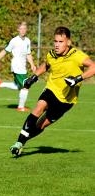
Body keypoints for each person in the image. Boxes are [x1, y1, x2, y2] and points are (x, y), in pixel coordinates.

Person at [9, 26, 95, 157]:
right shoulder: (51, 54)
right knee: (39, 107)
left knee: (41, 125)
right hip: (52, 89)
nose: (57, 44)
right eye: (55, 41)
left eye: (61, 42)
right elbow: (46, 65)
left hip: (67, 100)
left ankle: (22, 141)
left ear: (68, 42)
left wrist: (77, 79)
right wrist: (34, 76)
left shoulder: (77, 56)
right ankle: (18, 143)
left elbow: (93, 67)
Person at [0, 22, 36, 111]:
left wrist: (32, 64)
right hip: (17, 66)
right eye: (21, 29)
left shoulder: (27, 40)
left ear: (26, 30)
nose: (23, 30)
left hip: (23, 67)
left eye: (24, 29)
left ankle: (0, 84)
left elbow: (28, 54)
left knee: (18, 86)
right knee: (26, 86)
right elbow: (5, 50)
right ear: (18, 30)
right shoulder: (14, 40)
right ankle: (20, 107)